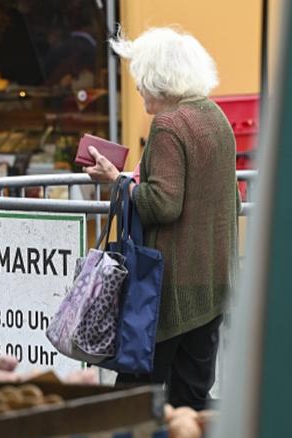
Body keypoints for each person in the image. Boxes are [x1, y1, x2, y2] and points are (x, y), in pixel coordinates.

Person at [85, 27, 239, 410]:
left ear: (159, 79)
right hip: (211, 283)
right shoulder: (215, 118)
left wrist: (117, 182)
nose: (137, 87)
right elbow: (227, 196)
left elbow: (163, 203)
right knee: (191, 399)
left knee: (134, 398)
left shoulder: (169, 126)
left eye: (140, 78)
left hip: (164, 293)